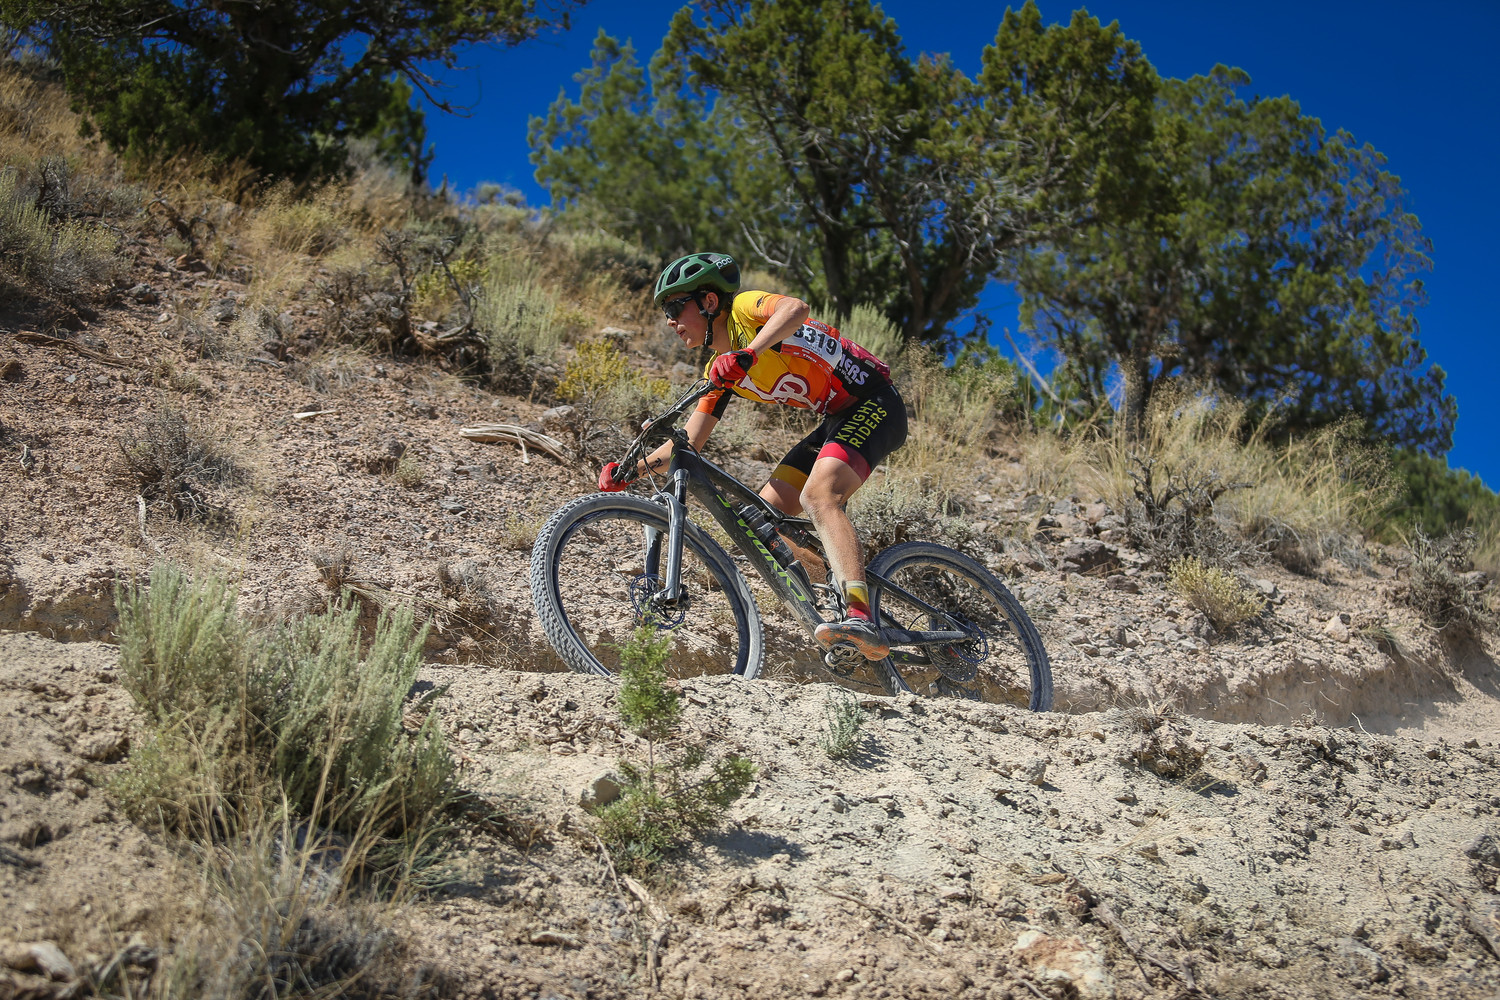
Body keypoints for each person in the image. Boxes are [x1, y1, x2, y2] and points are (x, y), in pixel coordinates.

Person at [597, 252, 907, 662]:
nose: (670, 322)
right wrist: (630, 471)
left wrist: (750, 352)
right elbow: (688, 443)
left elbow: (796, 309)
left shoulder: (745, 311)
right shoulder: (719, 371)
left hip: (876, 403)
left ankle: (860, 615)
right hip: (836, 418)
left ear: (709, 302)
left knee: (819, 496)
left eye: (674, 308)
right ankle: (837, 592)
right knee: (762, 519)